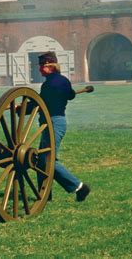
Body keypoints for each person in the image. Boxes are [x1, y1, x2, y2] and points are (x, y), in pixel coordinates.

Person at [34, 51, 90, 202]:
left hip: (52, 122)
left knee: (47, 160)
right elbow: (70, 95)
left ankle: (79, 186)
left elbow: (40, 103)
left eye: (41, 66)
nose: (39, 69)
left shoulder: (48, 85)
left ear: (50, 66)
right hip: (57, 121)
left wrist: (23, 108)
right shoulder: (63, 80)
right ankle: (45, 194)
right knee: (42, 159)